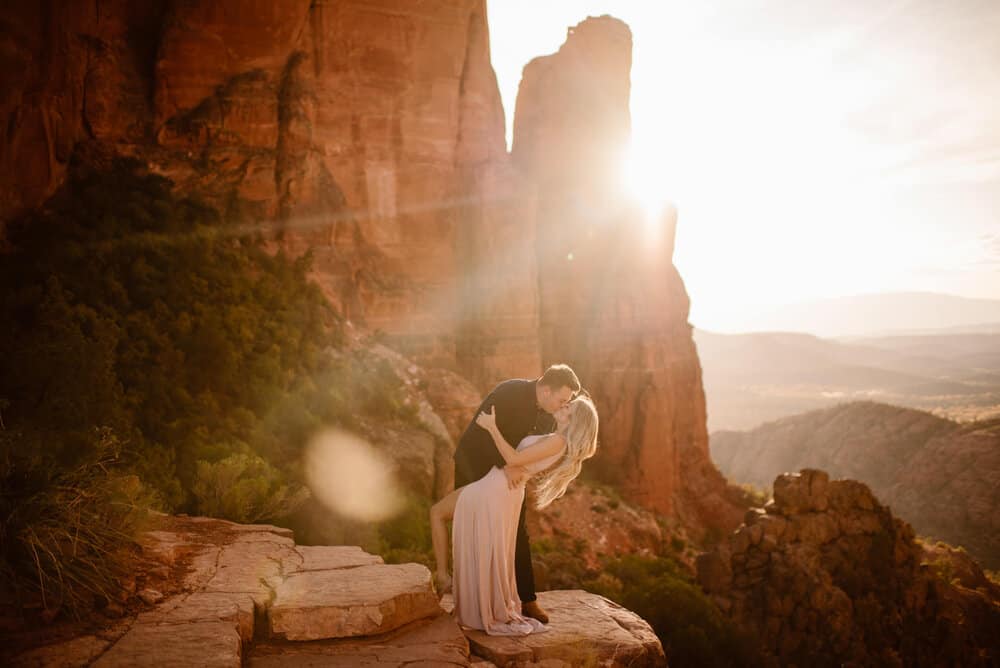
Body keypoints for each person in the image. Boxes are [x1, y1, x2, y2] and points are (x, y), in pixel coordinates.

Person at [430, 393, 599, 636]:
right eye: (565, 403)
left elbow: (514, 457)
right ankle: (470, 599)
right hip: (501, 487)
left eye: (568, 407)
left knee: (438, 514)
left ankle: (445, 577)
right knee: (487, 545)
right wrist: (513, 466)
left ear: (574, 419)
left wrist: (491, 427)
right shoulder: (554, 437)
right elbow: (519, 462)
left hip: (496, 489)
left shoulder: (559, 441)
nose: (563, 406)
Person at [450, 364, 580, 622]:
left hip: (507, 481)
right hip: (473, 466)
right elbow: (482, 430)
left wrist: (517, 469)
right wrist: (505, 466)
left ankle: (527, 599)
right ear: (545, 390)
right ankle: (470, 601)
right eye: (561, 399)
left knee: (517, 532)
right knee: (471, 528)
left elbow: (534, 452)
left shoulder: (548, 416)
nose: (563, 405)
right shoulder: (508, 392)